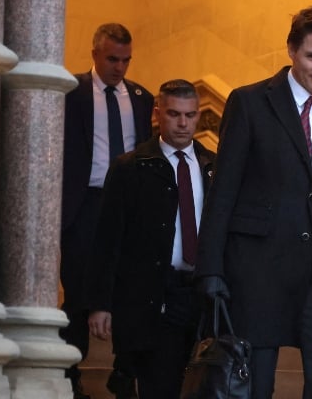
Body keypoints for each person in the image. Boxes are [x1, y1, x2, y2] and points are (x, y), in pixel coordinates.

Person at [194, 5, 312, 399]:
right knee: (254, 386)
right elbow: (223, 192)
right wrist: (211, 269)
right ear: (291, 50)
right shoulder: (250, 102)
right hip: (257, 269)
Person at [85, 79, 216, 399]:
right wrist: (100, 304)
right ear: (158, 113)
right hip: (155, 295)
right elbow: (107, 239)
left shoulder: (213, 165)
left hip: (202, 294)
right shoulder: (131, 167)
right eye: (174, 114)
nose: (183, 123)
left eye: (190, 115)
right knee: (160, 386)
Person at [61, 22, 154, 399]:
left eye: (126, 60)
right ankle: (70, 368)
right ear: (95, 54)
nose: (120, 67)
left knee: (132, 288)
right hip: (84, 204)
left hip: (129, 205)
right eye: (113, 59)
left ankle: (125, 370)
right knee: (81, 290)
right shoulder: (71, 92)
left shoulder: (142, 97)